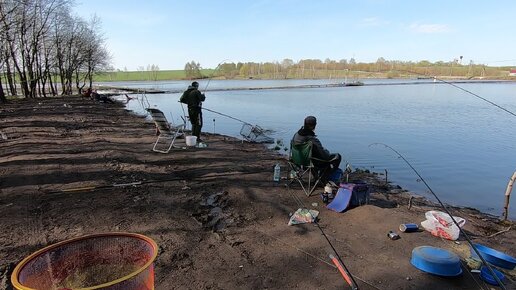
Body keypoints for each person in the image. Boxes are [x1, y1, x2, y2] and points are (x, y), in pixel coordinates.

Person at [291, 116, 342, 182]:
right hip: (309, 163)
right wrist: (326, 151)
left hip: (297, 161)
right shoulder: (311, 139)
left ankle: (317, 178)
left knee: (315, 157)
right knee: (337, 157)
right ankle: (324, 178)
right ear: (314, 126)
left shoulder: (296, 134)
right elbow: (325, 156)